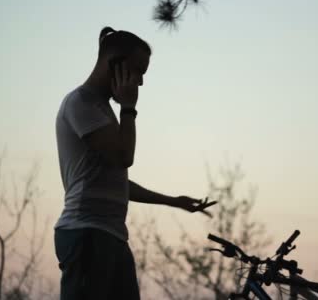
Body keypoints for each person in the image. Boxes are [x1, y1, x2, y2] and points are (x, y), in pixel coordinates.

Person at [53, 26, 216, 300]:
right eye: (138, 71)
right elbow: (124, 157)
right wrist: (129, 107)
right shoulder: (81, 103)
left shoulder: (101, 109)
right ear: (114, 64)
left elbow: (115, 179)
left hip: (112, 237)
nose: (140, 82)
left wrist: (173, 201)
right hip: (87, 235)